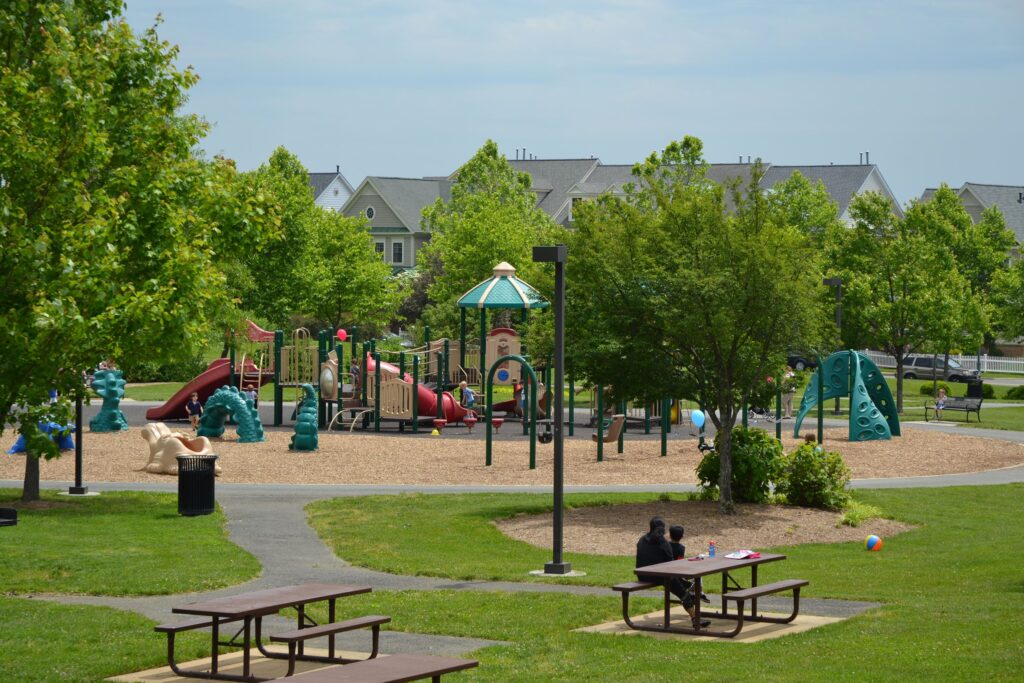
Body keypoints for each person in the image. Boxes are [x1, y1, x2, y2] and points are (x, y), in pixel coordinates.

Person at [635, 517, 709, 628]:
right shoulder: (663, 543)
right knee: (682, 590)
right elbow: (671, 565)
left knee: (682, 583)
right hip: (659, 576)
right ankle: (695, 618)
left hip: (642, 576)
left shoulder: (641, 540)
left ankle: (692, 592)